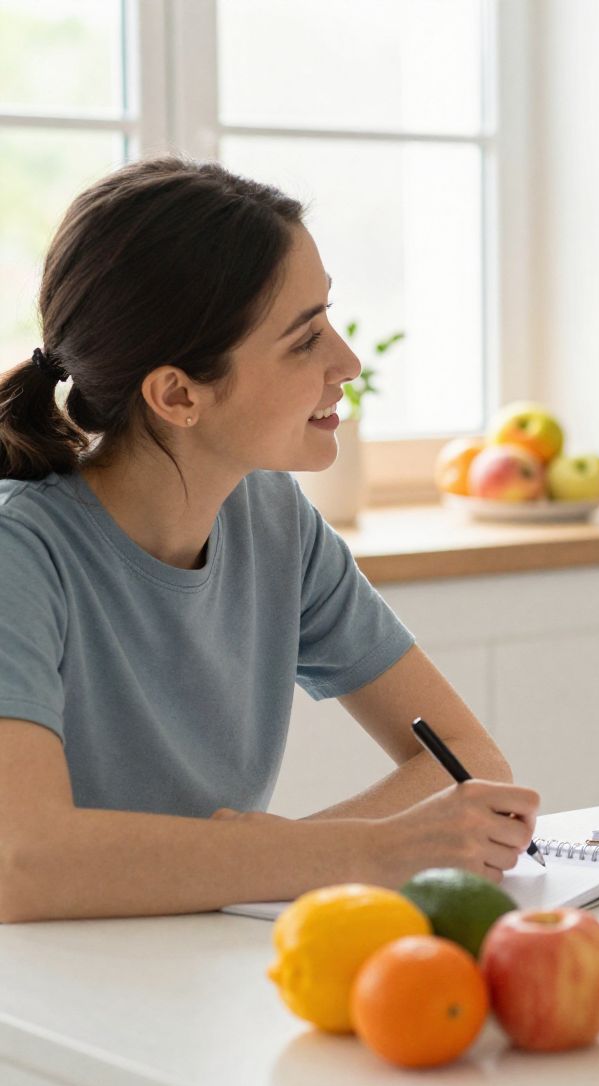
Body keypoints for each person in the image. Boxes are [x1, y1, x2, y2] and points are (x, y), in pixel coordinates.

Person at [0, 158, 539, 922]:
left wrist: (265, 867)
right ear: (177, 394)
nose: (346, 363)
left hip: (189, 962)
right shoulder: (18, 552)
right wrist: (355, 854)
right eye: (303, 340)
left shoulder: (272, 518)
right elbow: (21, 863)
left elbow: (466, 761)